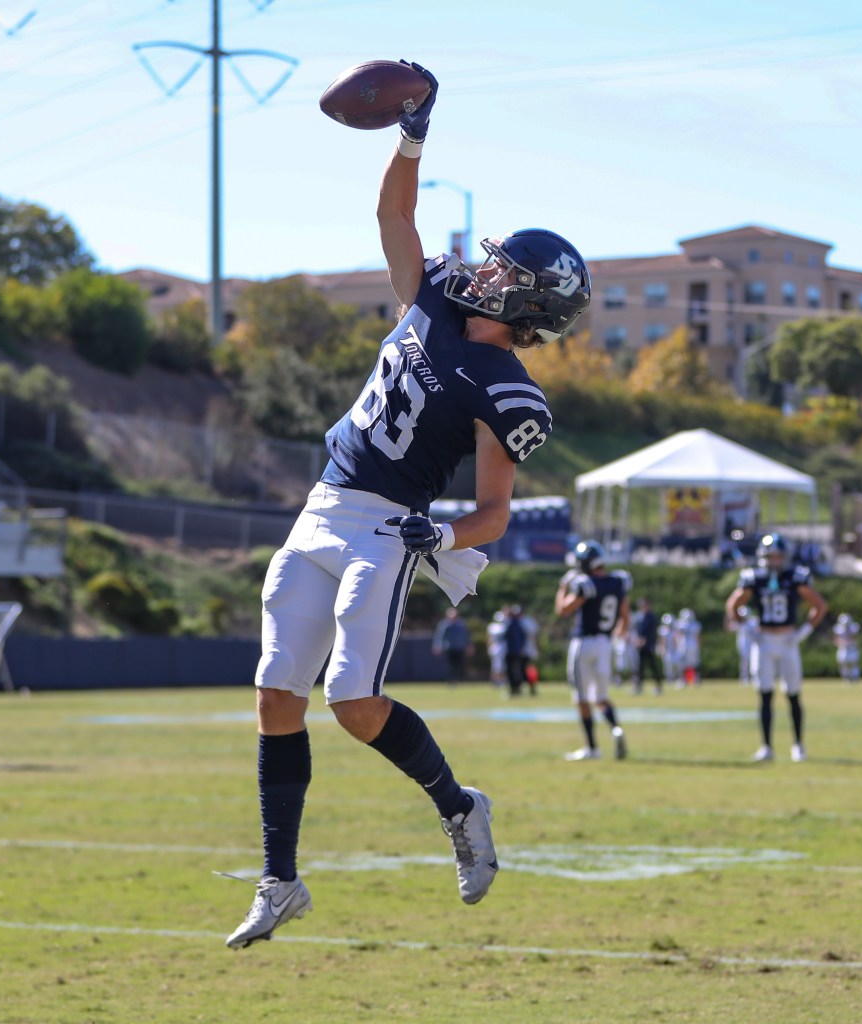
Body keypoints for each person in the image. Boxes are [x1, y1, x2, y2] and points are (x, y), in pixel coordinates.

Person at [225, 61, 591, 950]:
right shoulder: (431, 299)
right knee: (276, 693)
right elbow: (395, 216)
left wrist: (442, 531)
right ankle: (280, 880)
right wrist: (413, 136)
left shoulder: (508, 389)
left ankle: (459, 807)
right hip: (320, 507)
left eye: (506, 270)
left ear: (530, 301)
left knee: (353, 702)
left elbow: (495, 514)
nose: (487, 271)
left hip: (386, 529)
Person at [725, 532, 827, 763]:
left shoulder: (796, 577)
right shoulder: (755, 578)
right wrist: (747, 629)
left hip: (788, 640)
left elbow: (820, 605)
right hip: (764, 640)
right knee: (765, 694)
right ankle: (766, 747)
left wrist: (803, 632)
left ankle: (798, 745)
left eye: (779, 556)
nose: (775, 561)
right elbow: (732, 605)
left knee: (793, 694)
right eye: (771, 556)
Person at [555, 540, 631, 761]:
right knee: (601, 697)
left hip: (584, 643)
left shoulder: (586, 584)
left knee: (582, 697)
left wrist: (562, 587)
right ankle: (616, 728)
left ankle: (592, 747)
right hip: (605, 643)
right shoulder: (618, 581)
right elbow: (625, 616)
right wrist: (617, 634)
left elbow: (563, 609)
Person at [432, 607, 473, 684]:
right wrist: (437, 646)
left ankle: (459, 680)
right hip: (449, 648)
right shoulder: (444, 624)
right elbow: (439, 636)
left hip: (459, 647)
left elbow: (467, 635)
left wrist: (469, 645)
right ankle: (451, 680)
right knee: (450, 665)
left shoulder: (461, 623)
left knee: (459, 665)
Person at [632, 597, 663, 696]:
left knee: (652, 666)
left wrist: (645, 640)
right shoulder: (639, 617)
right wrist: (638, 640)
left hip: (649, 645)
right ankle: (638, 687)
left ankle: (658, 686)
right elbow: (637, 631)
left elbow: (652, 632)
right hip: (640, 646)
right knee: (639, 667)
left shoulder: (651, 617)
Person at [733, 605, 761, 686]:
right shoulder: (740, 623)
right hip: (743, 645)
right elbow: (729, 627)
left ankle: (754, 677)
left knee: (755, 662)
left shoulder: (753, 621)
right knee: (744, 662)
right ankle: (744, 678)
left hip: (753, 645)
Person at [675, 608, 701, 687]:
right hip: (690, 645)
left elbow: (677, 636)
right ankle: (693, 679)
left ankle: (687, 679)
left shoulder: (681, 624)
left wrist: (677, 644)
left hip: (685, 645)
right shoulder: (694, 624)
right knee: (691, 663)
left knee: (688, 663)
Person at [832, 612, 860, 684]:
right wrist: (841, 642)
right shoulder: (838, 628)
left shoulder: (853, 627)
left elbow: (855, 638)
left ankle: (855, 677)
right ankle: (846, 678)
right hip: (842, 648)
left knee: (853, 663)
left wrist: (849, 642)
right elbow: (835, 639)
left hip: (852, 648)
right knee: (843, 664)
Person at [486, 606, 509, 688]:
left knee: (503, 665)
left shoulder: (505, 625)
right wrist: (489, 647)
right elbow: (489, 639)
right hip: (496, 648)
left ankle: (502, 680)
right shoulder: (493, 626)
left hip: (503, 647)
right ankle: (496, 681)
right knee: (496, 666)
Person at [657, 612, 679, 686]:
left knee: (675, 664)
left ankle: (676, 677)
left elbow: (676, 640)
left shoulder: (675, 630)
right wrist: (660, 648)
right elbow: (661, 640)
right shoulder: (662, 630)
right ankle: (669, 678)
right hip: (666, 650)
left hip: (673, 650)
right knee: (667, 665)